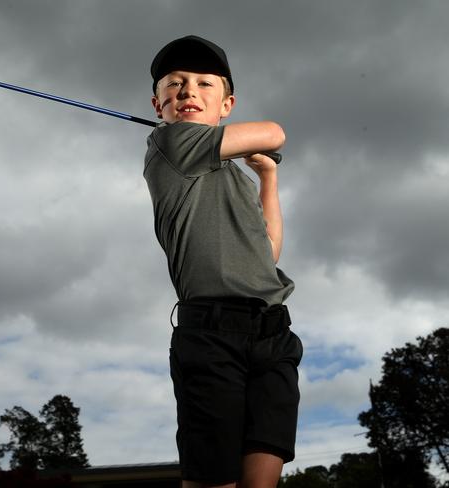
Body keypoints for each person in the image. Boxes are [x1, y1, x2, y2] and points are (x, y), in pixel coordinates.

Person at [143, 36, 303, 488]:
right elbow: (274, 132)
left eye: (203, 84)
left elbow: (267, 251)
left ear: (226, 103)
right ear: (158, 105)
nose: (188, 91)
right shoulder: (170, 145)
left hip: (273, 335)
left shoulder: (231, 174)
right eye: (174, 84)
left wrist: (267, 177)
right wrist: (261, 148)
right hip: (211, 337)